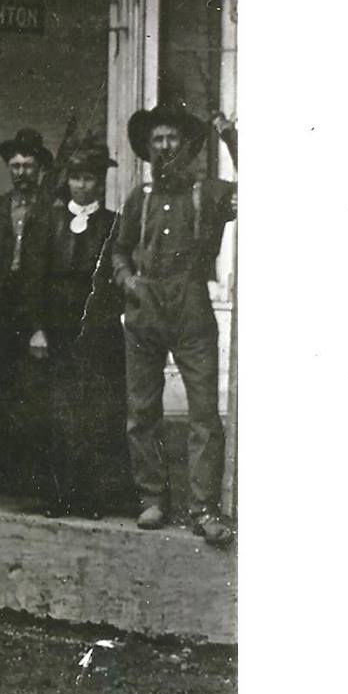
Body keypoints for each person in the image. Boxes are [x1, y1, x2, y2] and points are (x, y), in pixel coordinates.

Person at [108, 105, 237, 543]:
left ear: (186, 145)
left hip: (192, 311)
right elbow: (119, 250)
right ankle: (152, 499)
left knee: (204, 413)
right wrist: (127, 282)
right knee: (142, 410)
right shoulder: (138, 197)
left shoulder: (210, 193)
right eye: (157, 140)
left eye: (172, 139)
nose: (164, 147)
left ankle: (203, 507)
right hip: (145, 312)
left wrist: (231, 138)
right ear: (148, 149)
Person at [44, 146, 127, 518]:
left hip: (98, 330)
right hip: (58, 331)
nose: (82, 185)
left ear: (100, 182)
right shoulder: (50, 221)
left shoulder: (113, 223)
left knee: (96, 412)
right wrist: (37, 328)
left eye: (89, 178)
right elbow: (36, 276)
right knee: (59, 412)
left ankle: (94, 497)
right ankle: (59, 495)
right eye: (76, 177)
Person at [0, 129, 60, 495]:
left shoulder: (53, 207)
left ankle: (36, 477)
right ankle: (9, 473)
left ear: (40, 168)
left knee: (36, 393)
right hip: (4, 308)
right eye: (15, 165)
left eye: (28, 165)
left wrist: (41, 324)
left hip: (37, 305)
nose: (21, 172)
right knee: (4, 390)